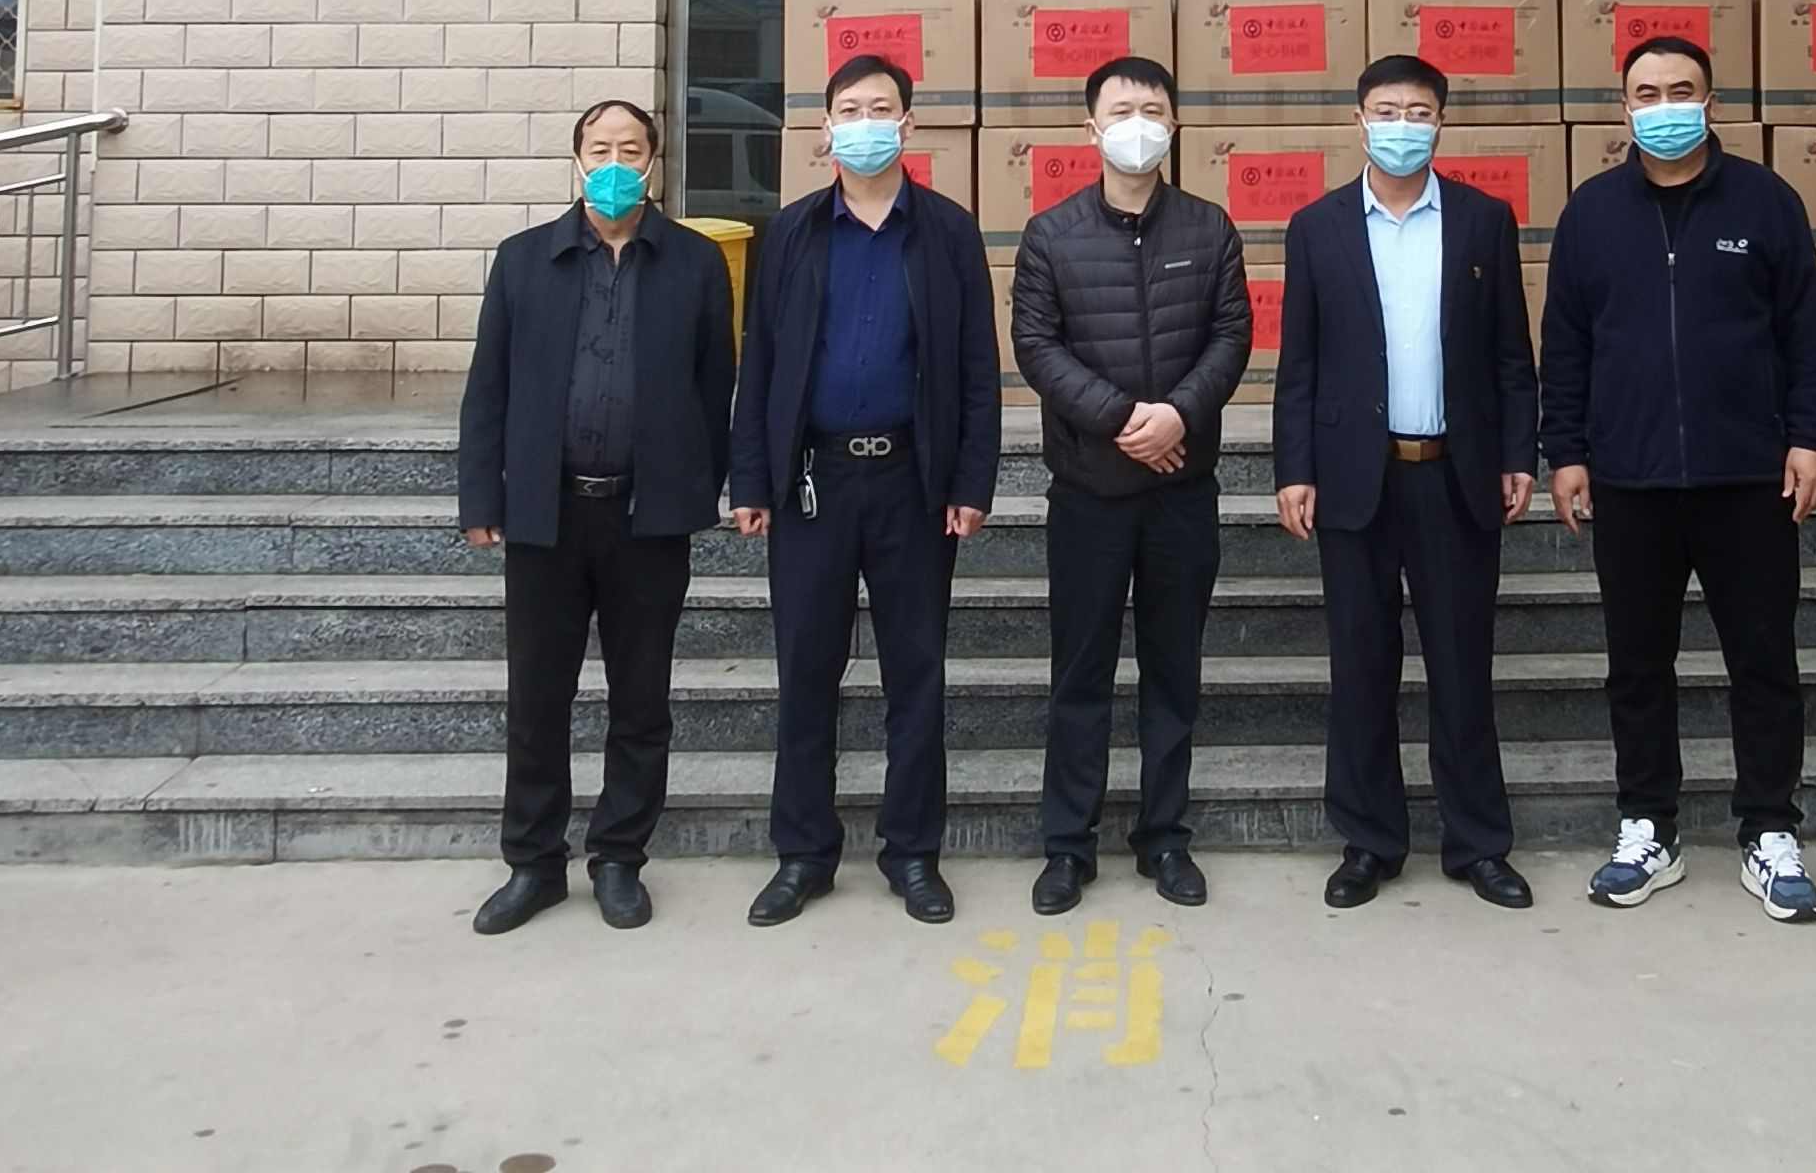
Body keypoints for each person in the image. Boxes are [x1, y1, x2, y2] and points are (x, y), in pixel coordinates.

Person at [1541, 35, 1816, 922]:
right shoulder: (1592, 212)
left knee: (1763, 661)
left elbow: (1807, 333)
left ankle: (1769, 829)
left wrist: (1812, 438)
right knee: (1637, 664)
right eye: (1647, 93)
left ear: (1711, 103)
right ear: (1622, 106)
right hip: (1629, 478)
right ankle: (1648, 826)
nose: (1664, 107)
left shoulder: (1765, 200)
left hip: (1749, 476)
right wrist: (1566, 450)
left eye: (1682, 91)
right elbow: (1565, 344)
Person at [730, 55, 1001, 927]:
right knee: (805, 670)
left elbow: (976, 369)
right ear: (825, 129)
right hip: (811, 482)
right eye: (849, 110)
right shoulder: (792, 232)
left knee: (915, 673)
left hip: (913, 484)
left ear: (908, 125)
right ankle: (802, 854)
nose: (865, 123)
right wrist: (752, 477)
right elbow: (761, 363)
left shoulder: (949, 232)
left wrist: (971, 480)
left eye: (881, 108)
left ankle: (912, 852)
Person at [456, 99, 738, 935]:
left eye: (631, 149)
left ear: (654, 162)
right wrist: (482, 495)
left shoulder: (693, 262)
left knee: (641, 698)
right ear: (577, 159)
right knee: (537, 698)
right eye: (600, 148)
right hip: (545, 516)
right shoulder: (522, 260)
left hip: (646, 518)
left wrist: (697, 486)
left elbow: (714, 384)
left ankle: (619, 856)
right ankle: (533, 863)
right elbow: (488, 388)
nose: (615, 163)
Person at [1273, 56, 1540, 911]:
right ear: (1358, 119)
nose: (1400, 125)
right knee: (1360, 665)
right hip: (1354, 477)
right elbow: (1299, 363)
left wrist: (1518, 453)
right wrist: (1293, 469)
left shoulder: (1482, 221)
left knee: (1462, 665)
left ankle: (1478, 843)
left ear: (1440, 122)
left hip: (1454, 474)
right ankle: (1369, 841)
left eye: (1417, 111)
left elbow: (1510, 353)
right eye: (1385, 110)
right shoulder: (1315, 227)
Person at [1011, 57, 1251, 916]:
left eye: (1153, 108)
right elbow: (1036, 346)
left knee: (1172, 670)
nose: (1137, 123)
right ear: (1091, 128)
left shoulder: (1209, 228)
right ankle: (1066, 847)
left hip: (1182, 487)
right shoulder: (1050, 234)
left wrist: (1178, 416)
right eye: (1121, 110)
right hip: (1088, 489)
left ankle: (1164, 838)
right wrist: (1122, 420)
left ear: (1174, 125)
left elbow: (1231, 335)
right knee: (1079, 673)